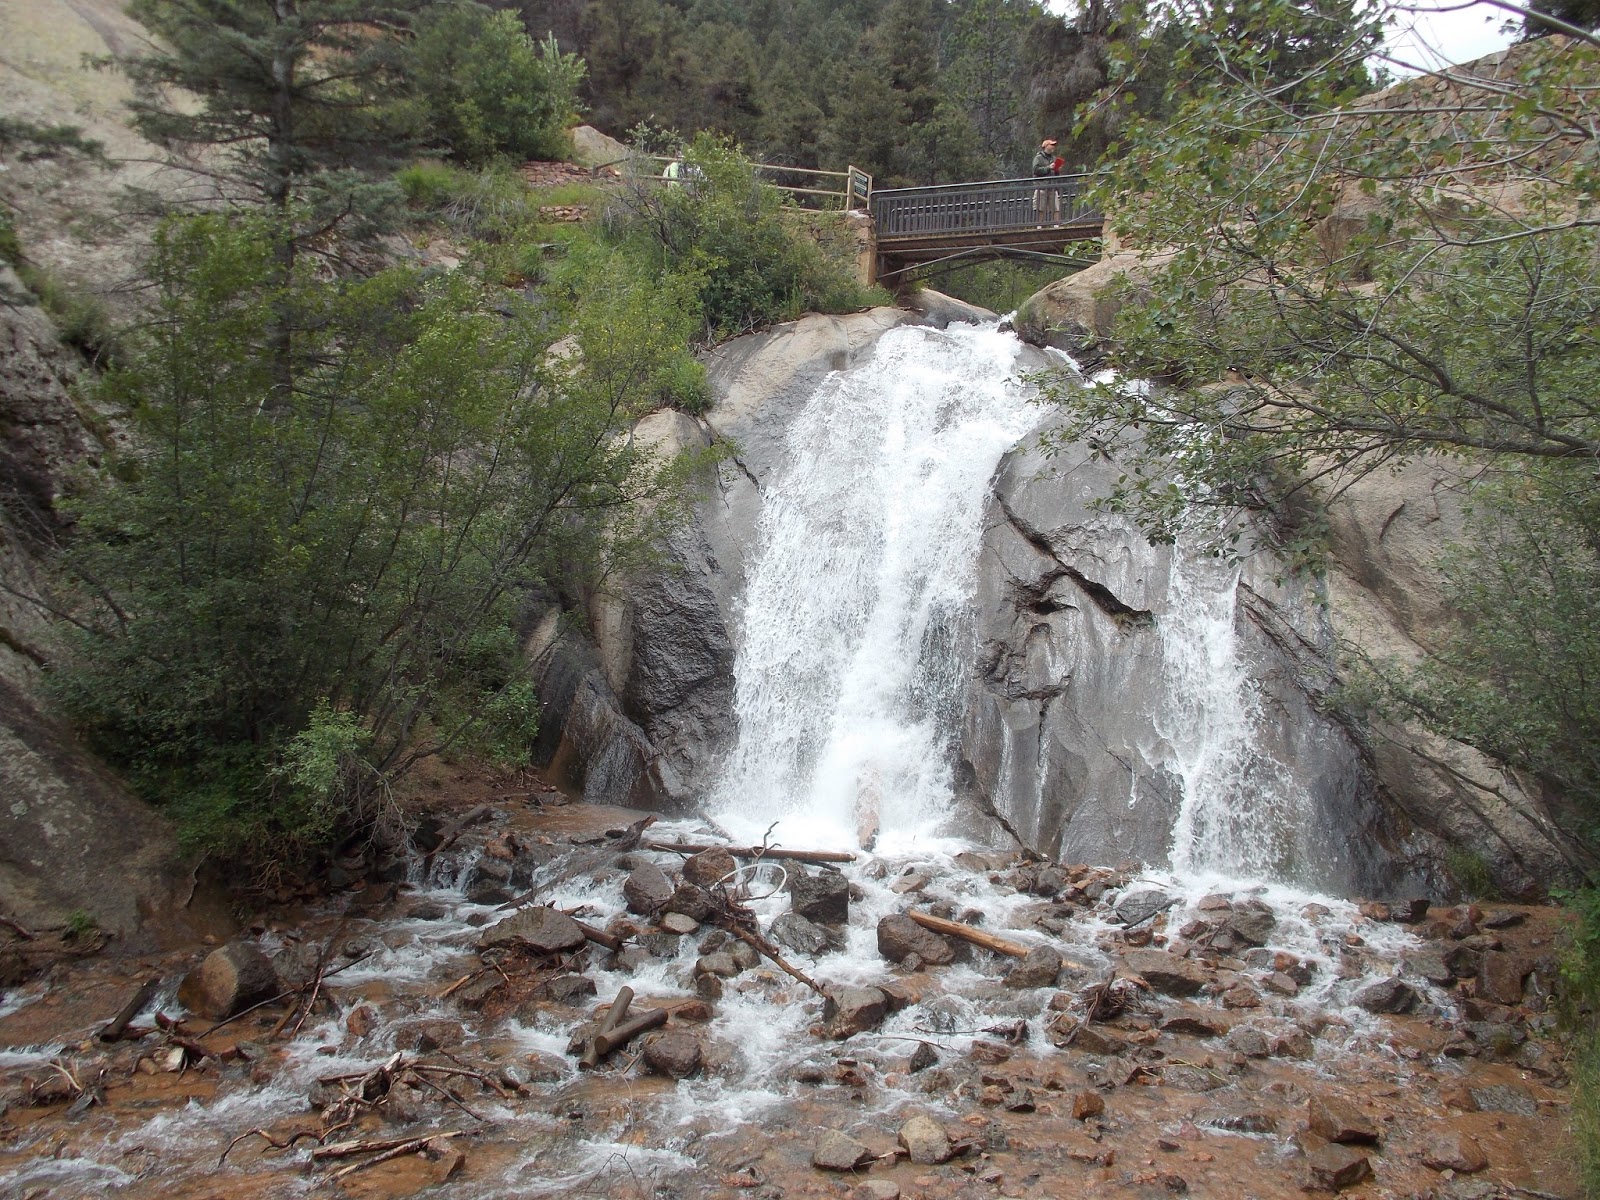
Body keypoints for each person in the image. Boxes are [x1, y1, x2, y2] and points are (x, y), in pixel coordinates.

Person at [1032, 137, 1061, 224]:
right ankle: (1039, 225)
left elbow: (1057, 174)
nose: (1053, 147)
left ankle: (1056, 225)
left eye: (1054, 145)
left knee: (1056, 207)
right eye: (1051, 145)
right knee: (1040, 207)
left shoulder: (1054, 158)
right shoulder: (1038, 158)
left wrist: (1057, 169)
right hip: (1042, 187)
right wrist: (1048, 168)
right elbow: (1035, 170)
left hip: (1052, 187)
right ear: (1045, 146)